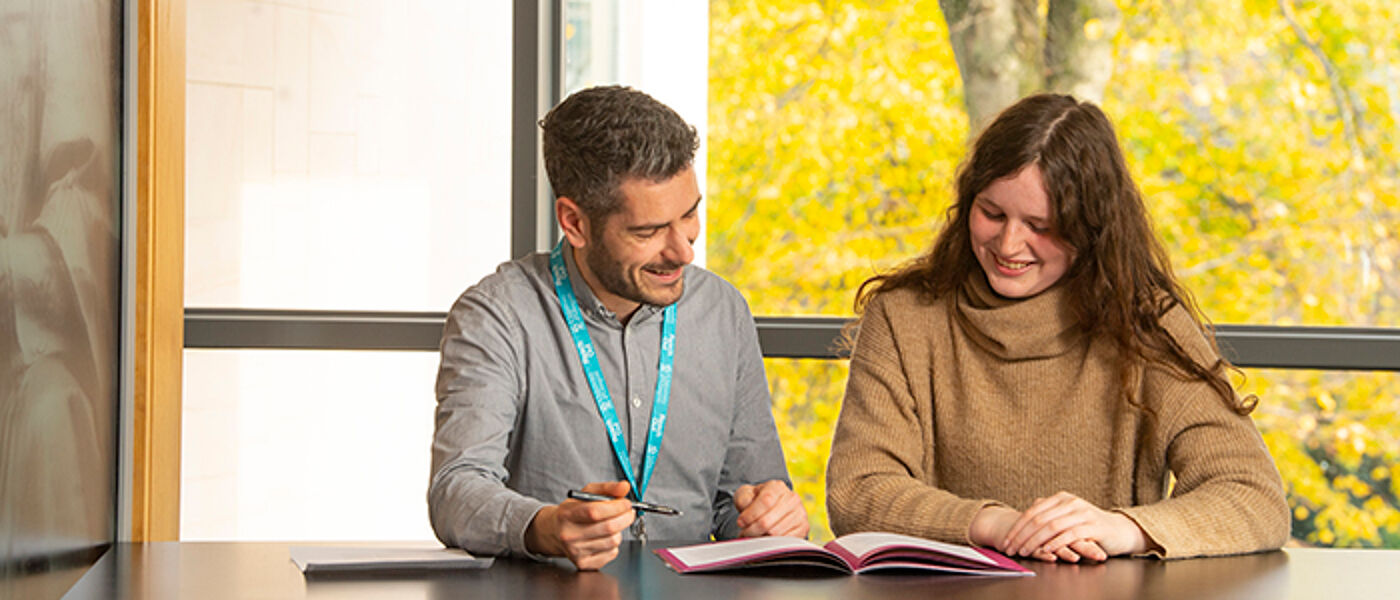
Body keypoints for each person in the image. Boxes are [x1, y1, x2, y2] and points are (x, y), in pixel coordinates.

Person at [825, 93, 1290, 562]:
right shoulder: (904, 317)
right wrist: (997, 525)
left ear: (1090, 229)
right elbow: (858, 491)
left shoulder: (1147, 324)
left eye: (1040, 226)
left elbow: (1254, 495)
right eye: (992, 213)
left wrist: (1124, 529)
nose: (1009, 244)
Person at [430, 85, 808, 571]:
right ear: (575, 223)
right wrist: (545, 527)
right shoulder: (498, 315)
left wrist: (771, 517)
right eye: (648, 232)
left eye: (690, 214)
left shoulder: (723, 311)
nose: (683, 251)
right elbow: (456, 490)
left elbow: (743, 503)